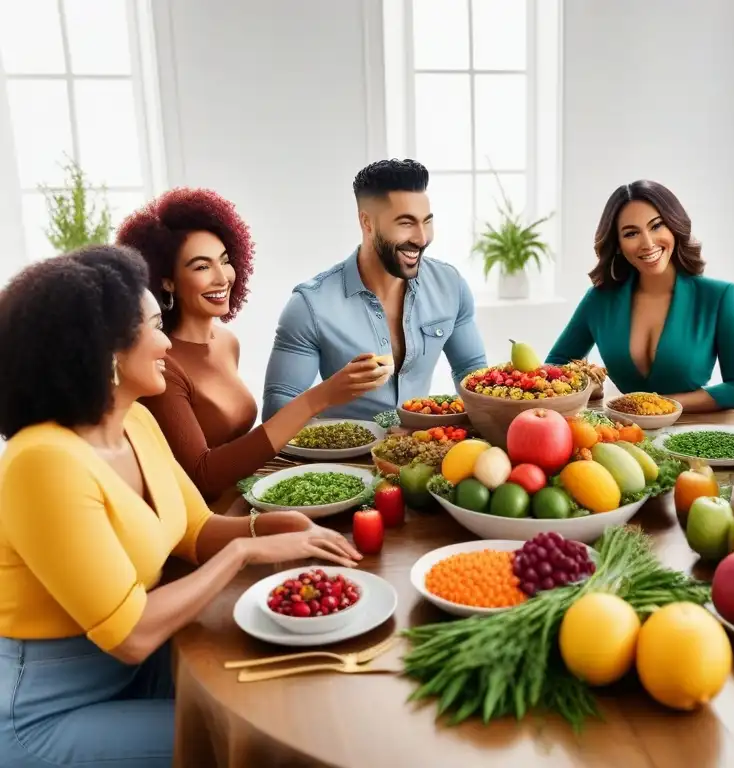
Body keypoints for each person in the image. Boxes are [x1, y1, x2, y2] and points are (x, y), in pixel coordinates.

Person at [0, 245, 362, 767]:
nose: (168, 342)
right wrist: (243, 556)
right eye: (153, 327)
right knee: (253, 739)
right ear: (105, 351)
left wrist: (273, 527)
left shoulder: (136, 422)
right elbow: (130, 633)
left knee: (294, 695)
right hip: (48, 714)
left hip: (138, 670)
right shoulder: (42, 464)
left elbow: (196, 530)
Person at [117, 188, 389, 509]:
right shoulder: (161, 364)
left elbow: (238, 446)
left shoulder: (226, 342)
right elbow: (203, 475)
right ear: (166, 281)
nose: (222, 278)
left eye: (225, 261)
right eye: (201, 267)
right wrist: (320, 397)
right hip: (204, 523)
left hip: (249, 498)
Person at [262, 159, 488, 422]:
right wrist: (328, 393)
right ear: (367, 223)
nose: (421, 238)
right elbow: (276, 413)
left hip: (421, 448)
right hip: (346, 458)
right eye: (406, 223)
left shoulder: (450, 286)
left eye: (426, 222)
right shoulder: (311, 306)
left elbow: (474, 377)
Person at [545, 180, 734, 411]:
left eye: (656, 226)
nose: (647, 243)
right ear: (617, 245)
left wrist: (661, 405)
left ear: (674, 226)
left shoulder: (717, 297)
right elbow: (554, 367)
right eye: (631, 233)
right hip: (620, 434)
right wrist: (589, 384)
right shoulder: (599, 300)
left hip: (690, 434)